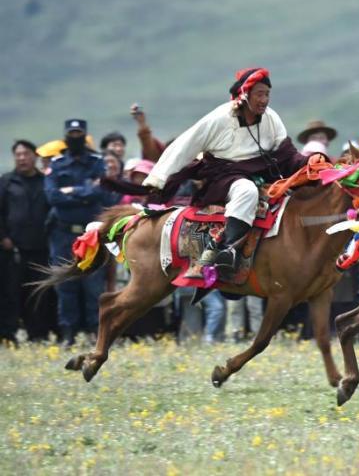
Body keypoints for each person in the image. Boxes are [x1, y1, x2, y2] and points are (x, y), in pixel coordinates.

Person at [142, 68, 311, 280]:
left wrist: (312, 161)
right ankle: (229, 250)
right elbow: (184, 146)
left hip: (262, 176)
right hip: (223, 178)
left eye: (267, 94)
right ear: (245, 94)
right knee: (247, 190)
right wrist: (158, 179)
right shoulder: (219, 118)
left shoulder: (271, 118)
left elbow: (287, 154)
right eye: (259, 94)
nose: (264, 100)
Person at [45, 119, 118, 345]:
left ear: (84, 136)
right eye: (72, 133)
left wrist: (71, 191)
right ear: (66, 136)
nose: (75, 137)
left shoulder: (97, 162)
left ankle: (95, 333)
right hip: (63, 234)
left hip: (91, 235)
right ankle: (68, 334)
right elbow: (52, 197)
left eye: (79, 133)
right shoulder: (57, 164)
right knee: (65, 284)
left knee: (93, 285)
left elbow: (101, 192)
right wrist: (86, 192)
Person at [0, 140, 55, 342]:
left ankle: (38, 334)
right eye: (18, 154)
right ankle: (7, 334)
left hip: (40, 248)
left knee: (38, 292)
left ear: (35, 156)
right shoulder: (6, 181)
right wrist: (3, 237)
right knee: (10, 293)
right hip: (12, 249)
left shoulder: (45, 181)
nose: (22, 158)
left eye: (26, 154)